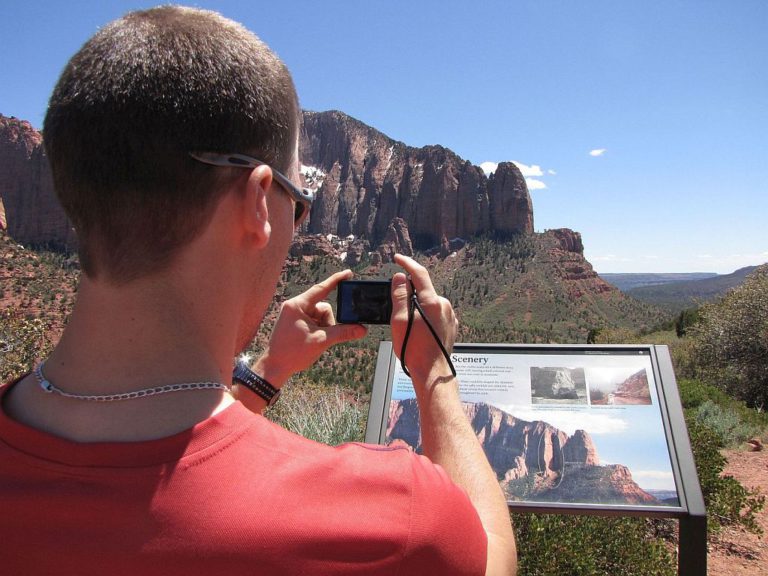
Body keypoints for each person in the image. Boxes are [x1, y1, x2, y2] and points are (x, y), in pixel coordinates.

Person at [0, 6, 516, 575]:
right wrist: (433, 372)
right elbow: (488, 552)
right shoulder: (387, 519)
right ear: (256, 201)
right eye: (299, 204)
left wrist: (265, 372)